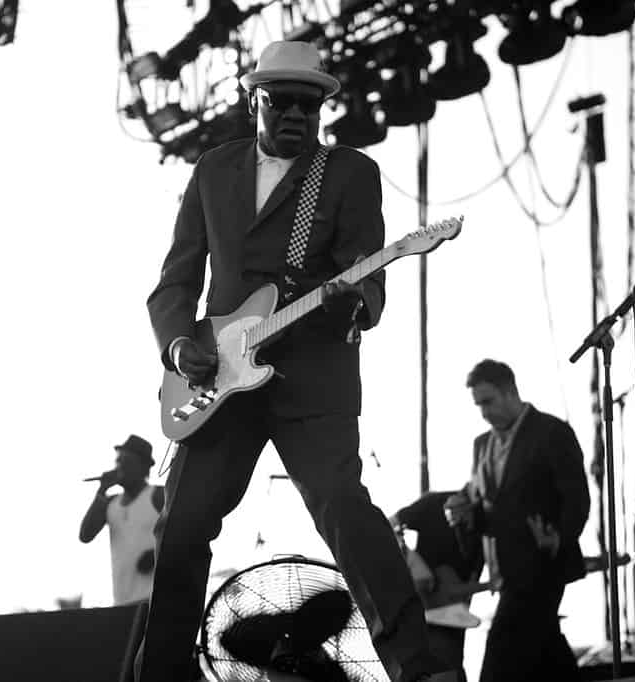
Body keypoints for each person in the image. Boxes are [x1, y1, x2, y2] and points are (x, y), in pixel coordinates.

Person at [143, 40, 457, 682]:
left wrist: (353, 303)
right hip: (218, 381)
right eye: (283, 101)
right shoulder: (212, 169)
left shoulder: (348, 173)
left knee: (345, 511)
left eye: (309, 106)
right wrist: (181, 345)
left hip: (313, 374)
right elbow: (175, 282)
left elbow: (368, 275)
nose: (296, 116)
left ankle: (418, 668)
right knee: (181, 528)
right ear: (253, 99)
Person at [445, 360, 590, 682]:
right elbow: (491, 509)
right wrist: (466, 513)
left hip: (543, 563)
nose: (483, 411)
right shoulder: (481, 444)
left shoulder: (552, 432)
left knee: (500, 660)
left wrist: (560, 537)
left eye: (488, 401)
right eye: (478, 404)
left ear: (510, 392)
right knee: (547, 656)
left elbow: (577, 498)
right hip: (506, 568)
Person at [390, 492, 482, 678]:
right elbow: (388, 525)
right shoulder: (432, 504)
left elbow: (471, 581)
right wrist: (410, 561)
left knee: (450, 666)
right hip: (424, 614)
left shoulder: (486, 522)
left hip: (455, 618)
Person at [78, 435, 163, 607]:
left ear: (143, 467)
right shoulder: (110, 503)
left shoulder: (159, 495)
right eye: (118, 461)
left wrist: (158, 554)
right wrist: (102, 490)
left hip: (155, 599)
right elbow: (85, 535)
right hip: (122, 602)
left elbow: (185, 533)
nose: (120, 466)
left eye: (127, 461)